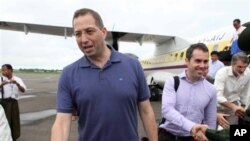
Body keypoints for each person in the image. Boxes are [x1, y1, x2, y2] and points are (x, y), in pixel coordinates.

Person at [51, 8, 158, 141]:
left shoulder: (133, 65)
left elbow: (146, 111)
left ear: (103, 32)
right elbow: (61, 123)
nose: (84, 39)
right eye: (78, 34)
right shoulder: (68, 74)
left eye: (89, 31)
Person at [159, 43, 217, 141]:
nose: (202, 65)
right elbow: (167, 110)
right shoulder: (172, 82)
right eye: (198, 61)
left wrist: (207, 137)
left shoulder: (211, 89)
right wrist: (191, 127)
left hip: (192, 138)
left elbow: (210, 121)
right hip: (167, 136)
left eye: (205, 61)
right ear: (187, 61)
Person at [214, 52, 250, 125]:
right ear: (232, 64)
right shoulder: (222, 73)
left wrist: (242, 107)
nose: (242, 70)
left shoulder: (248, 73)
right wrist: (234, 107)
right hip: (217, 106)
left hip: (234, 106)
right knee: (214, 131)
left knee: (230, 131)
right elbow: (217, 96)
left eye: (245, 67)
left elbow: (245, 93)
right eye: (239, 67)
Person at [0, 64, 26, 141]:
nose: (2, 71)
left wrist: (17, 84)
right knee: (5, 121)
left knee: (15, 120)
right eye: (2, 70)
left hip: (14, 102)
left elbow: (23, 90)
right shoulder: (1, 79)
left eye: (4, 70)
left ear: (10, 70)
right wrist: (2, 84)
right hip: (4, 102)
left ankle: (14, 137)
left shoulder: (17, 79)